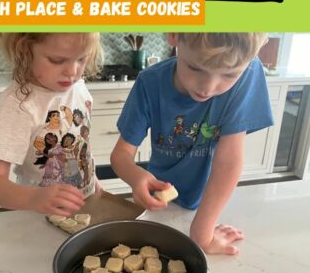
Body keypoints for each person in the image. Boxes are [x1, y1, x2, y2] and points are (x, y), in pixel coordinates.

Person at [110, 33, 273, 255]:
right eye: (196, 68)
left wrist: (202, 233)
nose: (208, 87)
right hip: (160, 201)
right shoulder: (150, 83)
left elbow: (228, 161)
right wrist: (136, 177)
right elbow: (121, 155)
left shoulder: (248, 73)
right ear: (174, 35)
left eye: (228, 74)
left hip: (210, 204)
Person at [0, 33, 103, 216]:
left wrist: (94, 182)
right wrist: (33, 198)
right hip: (40, 214)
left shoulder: (78, 88)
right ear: (25, 50)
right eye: (56, 60)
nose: (72, 71)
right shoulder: (18, 104)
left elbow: (81, 145)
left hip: (85, 204)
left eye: (81, 59)